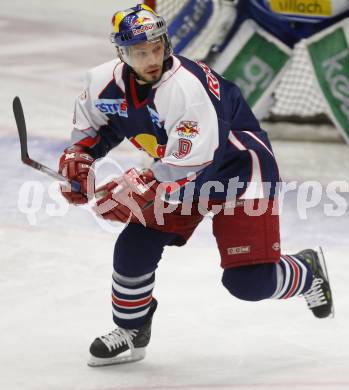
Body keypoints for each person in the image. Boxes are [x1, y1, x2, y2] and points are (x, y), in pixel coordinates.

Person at [58, 4, 333, 367]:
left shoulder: (187, 88)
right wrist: (79, 162)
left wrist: (139, 188)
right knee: (133, 248)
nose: (152, 57)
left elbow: (192, 168)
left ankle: (307, 270)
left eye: (157, 46)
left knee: (249, 283)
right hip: (182, 169)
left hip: (238, 168)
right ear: (121, 53)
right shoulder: (102, 83)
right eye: (140, 52)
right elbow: (98, 129)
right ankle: (132, 328)